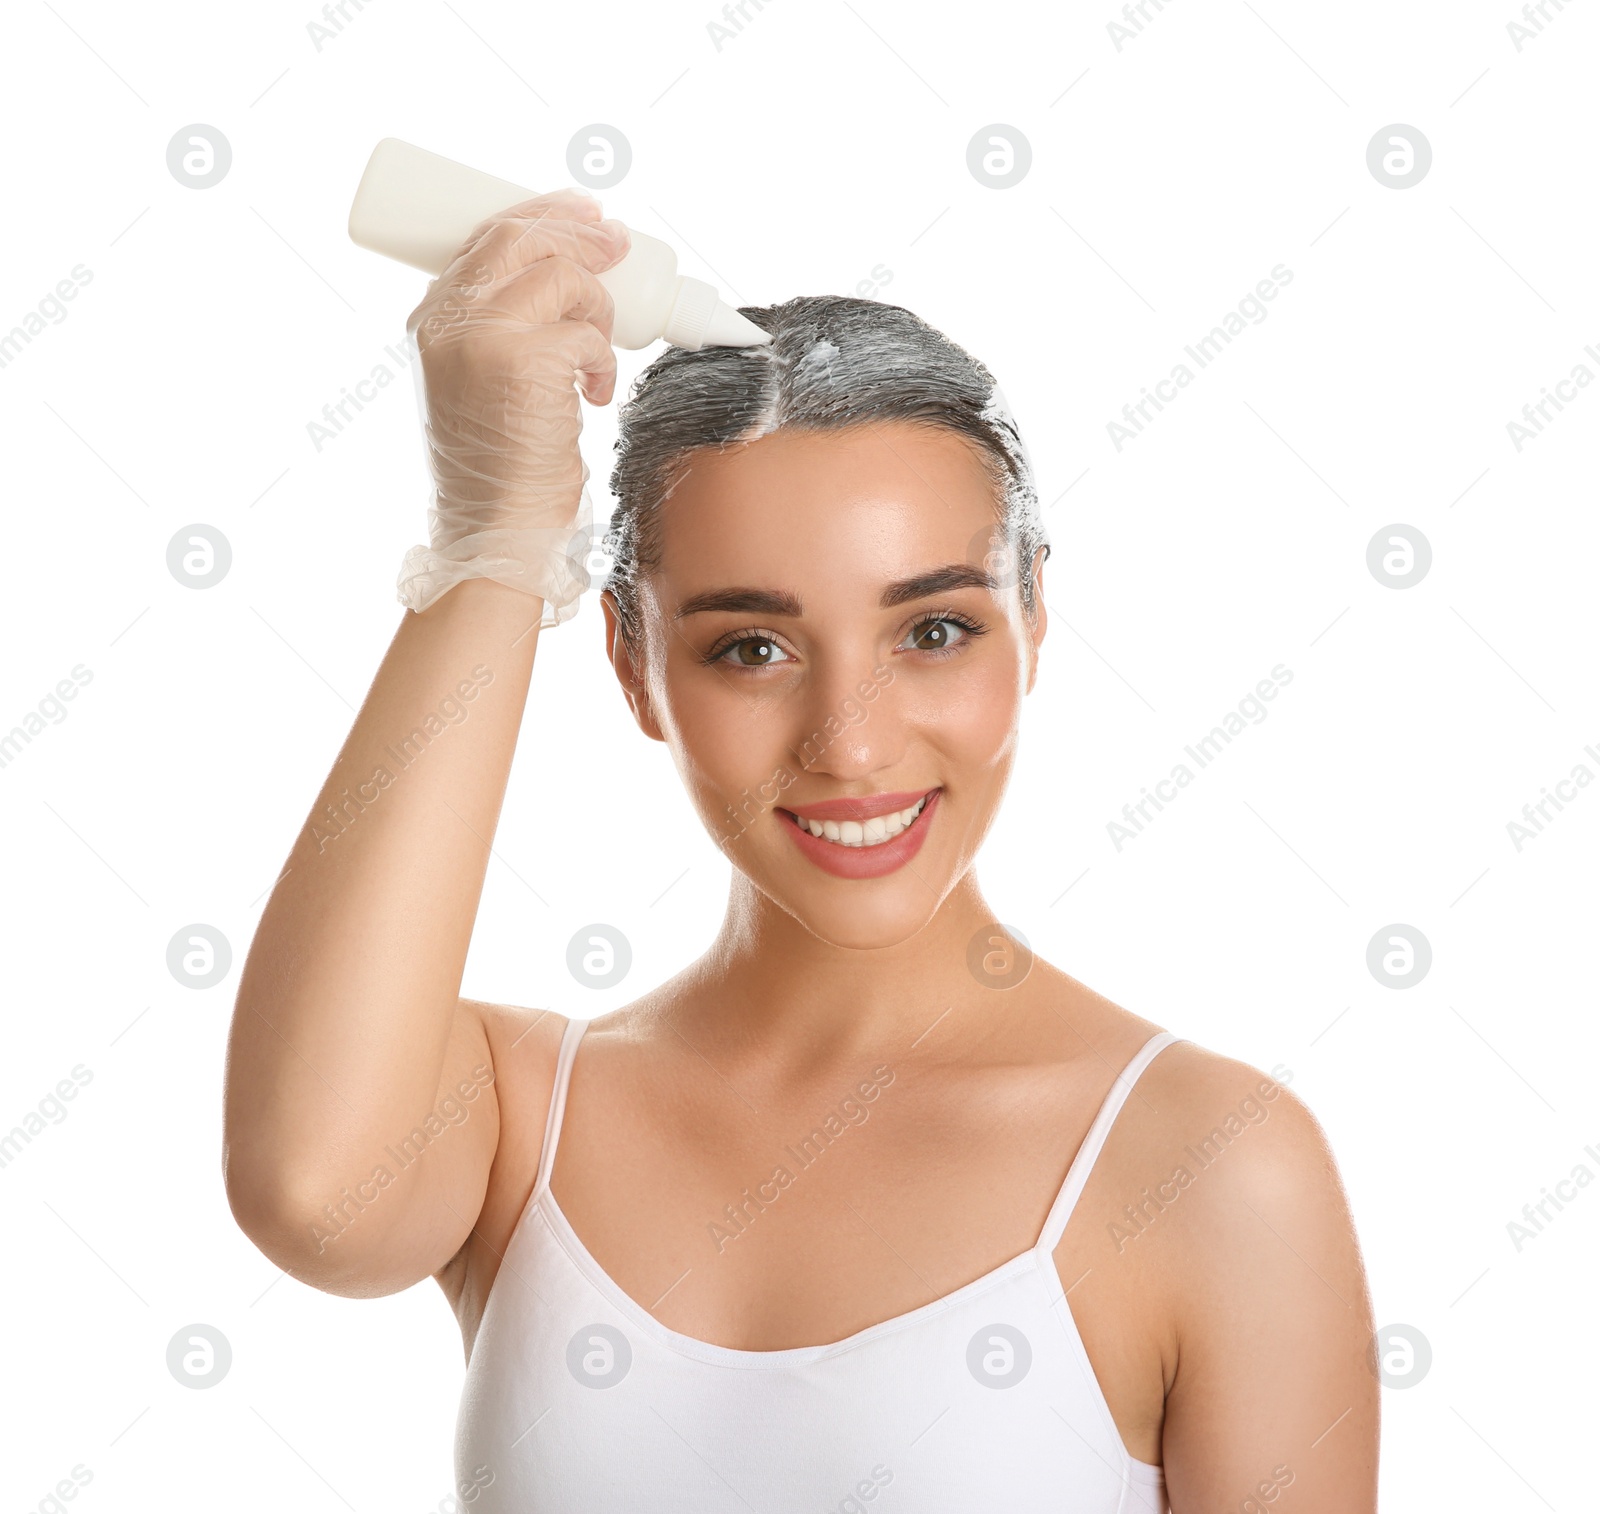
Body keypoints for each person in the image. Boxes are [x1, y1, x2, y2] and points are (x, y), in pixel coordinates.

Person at [223, 190, 1379, 1511]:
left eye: (932, 630)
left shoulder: (1211, 1165)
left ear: (1035, 618)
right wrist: (498, 539)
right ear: (633, 665)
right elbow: (310, 1189)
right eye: (750, 646)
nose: (851, 743)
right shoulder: (517, 1120)